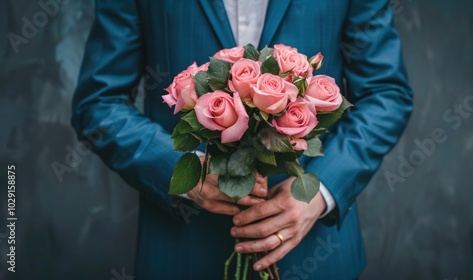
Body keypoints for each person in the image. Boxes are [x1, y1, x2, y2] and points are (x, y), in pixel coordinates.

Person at [72, 0, 413, 279]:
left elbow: (386, 93)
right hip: (184, 253)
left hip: (315, 257)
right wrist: (184, 173)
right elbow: (98, 103)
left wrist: (321, 192)